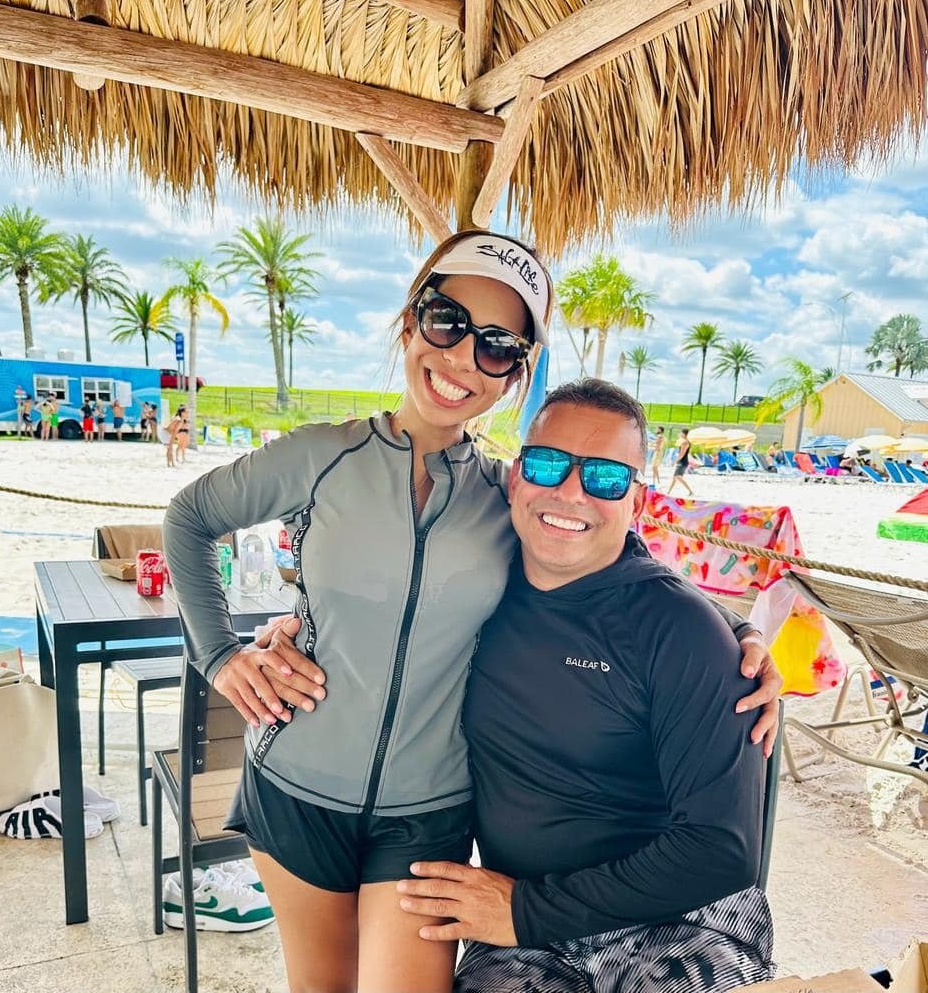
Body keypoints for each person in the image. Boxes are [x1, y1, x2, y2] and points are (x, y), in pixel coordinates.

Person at [163, 231, 780, 993]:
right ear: (409, 321)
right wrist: (221, 656)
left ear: (513, 375)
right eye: (446, 321)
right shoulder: (321, 456)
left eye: (496, 348)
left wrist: (730, 636)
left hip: (425, 816)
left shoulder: (499, 498)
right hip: (294, 785)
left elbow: (606, 553)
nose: (462, 357)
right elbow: (189, 518)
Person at [396, 380, 775, 992]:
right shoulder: (469, 590)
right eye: (548, 465)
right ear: (516, 478)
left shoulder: (683, 632)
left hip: (681, 919)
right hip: (524, 929)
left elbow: (721, 849)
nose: (571, 493)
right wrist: (290, 632)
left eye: (605, 477)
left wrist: (526, 911)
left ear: (637, 501)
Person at [667, 427, 692, 495]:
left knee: (678, 477)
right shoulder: (686, 441)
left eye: (681, 433)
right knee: (675, 477)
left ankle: (690, 491)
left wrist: (675, 461)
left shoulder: (685, 442)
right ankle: (669, 491)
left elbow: (682, 453)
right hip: (683, 461)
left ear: (683, 434)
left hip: (682, 461)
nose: (680, 434)